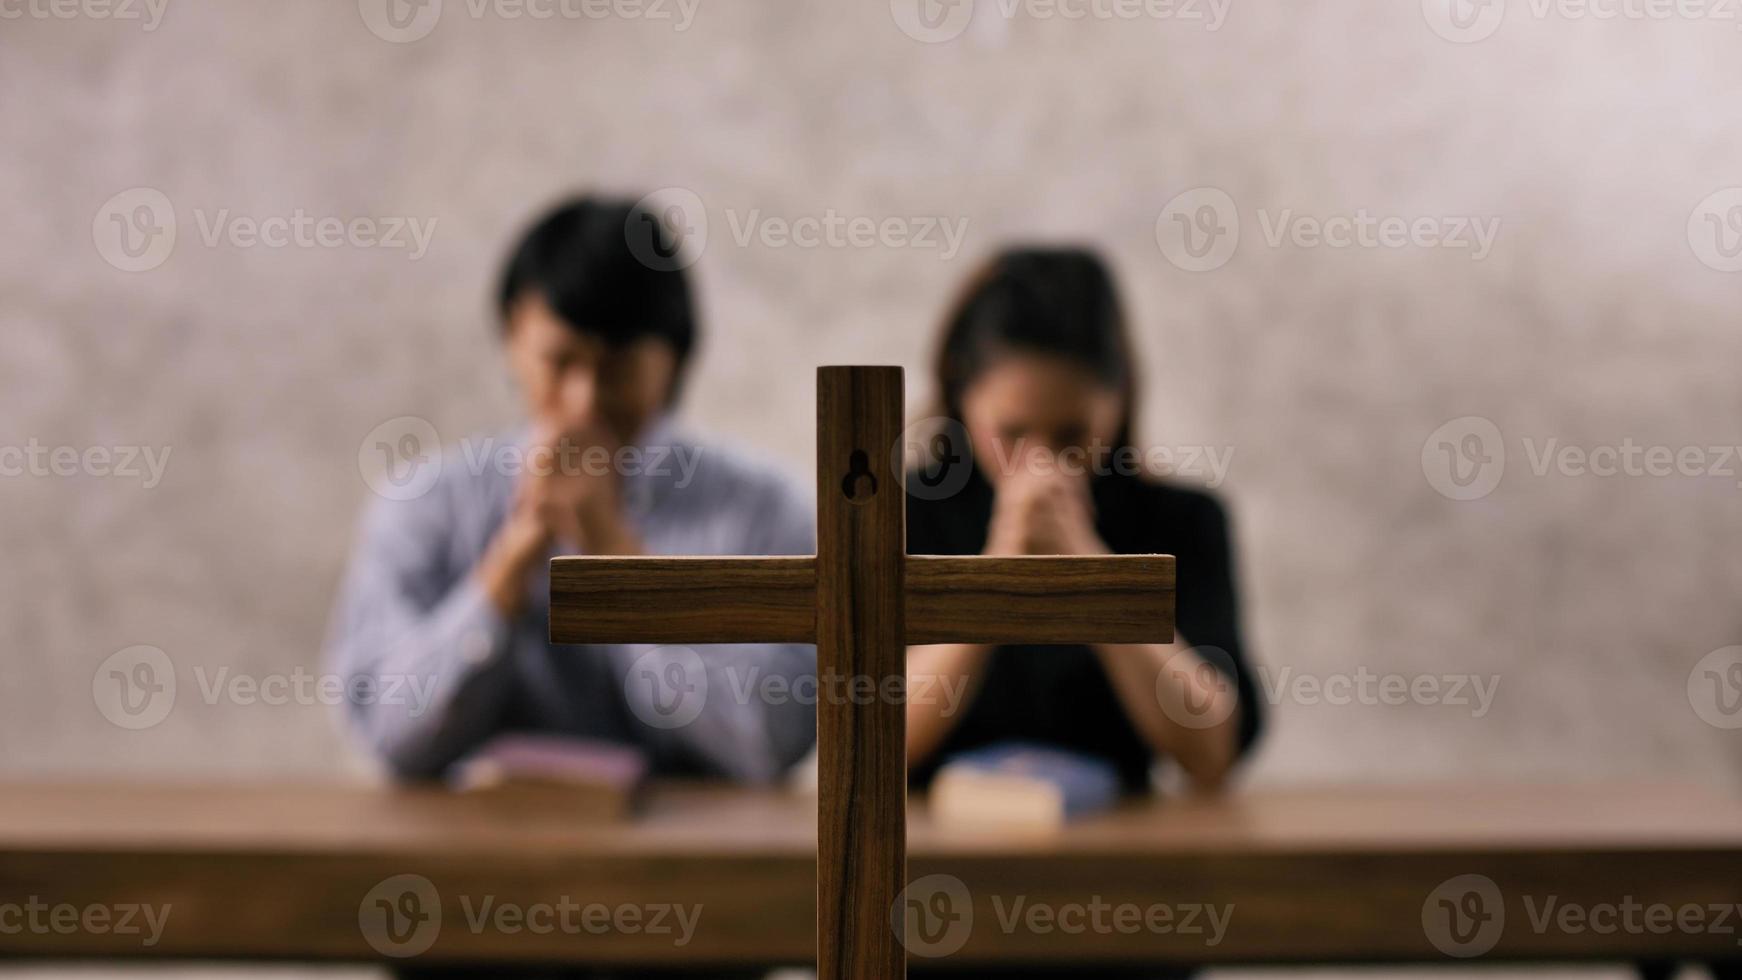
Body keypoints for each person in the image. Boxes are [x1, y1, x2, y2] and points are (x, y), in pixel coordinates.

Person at [327, 195, 816, 790]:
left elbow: (774, 741)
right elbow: (388, 735)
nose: (584, 400)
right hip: (470, 868)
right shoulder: (426, 502)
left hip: (701, 869)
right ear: (512, 339)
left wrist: (618, 561)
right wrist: (512, 562)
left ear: (675, 361)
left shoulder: (763, 511)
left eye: (616, 369)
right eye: (560, 362)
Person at [905, 246, 1263, 797]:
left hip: (1124, 855)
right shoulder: (905, 513)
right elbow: (869, 737)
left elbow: (1212, 753)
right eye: (1013, 433)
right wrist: (997, 569)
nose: (1043, 465)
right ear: (961, 398)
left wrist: (1092, 569)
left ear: (1117, 403)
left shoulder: (1182, 521)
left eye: (1073, 434)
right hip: (927, 856)